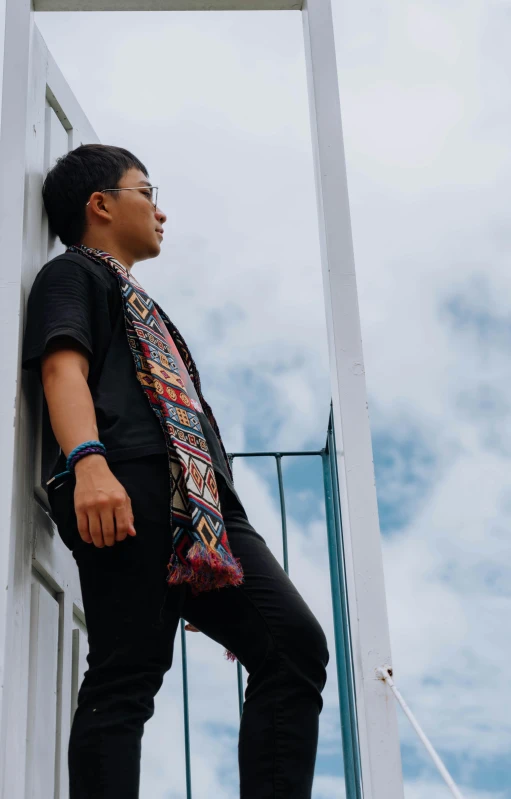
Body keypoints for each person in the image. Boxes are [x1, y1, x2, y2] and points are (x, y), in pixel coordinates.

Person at [21, 143, 329, 799]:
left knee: (293, 644)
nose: (161, 212)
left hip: (202, 511)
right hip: (124, 482)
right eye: (146, 191)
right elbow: (61, 367)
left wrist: (206, 541)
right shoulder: (73, 273)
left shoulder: (144, 304)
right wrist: (89, 462)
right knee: (125, 675)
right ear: (100, 205)